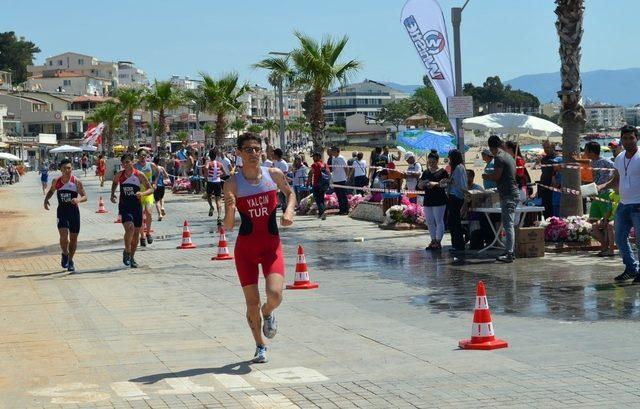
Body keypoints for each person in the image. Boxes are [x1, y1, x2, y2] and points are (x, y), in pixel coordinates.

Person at [222, 133, 296, 364]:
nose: (254, 153)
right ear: (239, 153)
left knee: (275, 295)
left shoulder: (272, 175)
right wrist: (231, 208)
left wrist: (289, 211)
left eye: (257, 149)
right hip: (246, 250)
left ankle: (268, 312)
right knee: (251, 302)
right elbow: (228, 225)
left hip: (271, 245)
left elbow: (290, 193)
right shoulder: (232, 183)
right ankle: (259, 345)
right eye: (248, 150)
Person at [597, 125, 640, 282]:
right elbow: (616, 179)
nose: (628, 141)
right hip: (623, 204)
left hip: (638, 204)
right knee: (620, 238)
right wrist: (601, 186)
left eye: (631, 138)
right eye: (625, 138)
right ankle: (631, 269)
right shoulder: (620, 158)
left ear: (637, 138)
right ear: (621, 140)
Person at [44, 159, 87, 272]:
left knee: (73, 239)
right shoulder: (56, 181)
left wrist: (78, 200)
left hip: (74, 213)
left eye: (69, 168)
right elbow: (52, 191)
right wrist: (46, 199)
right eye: (65, 168)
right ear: (61, 170)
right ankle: (65, 253)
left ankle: (71, 260)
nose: (67, 170)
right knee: (63, 236)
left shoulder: (76, 182)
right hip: (62, 212)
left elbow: (84, 196)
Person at [111, 153, 152, 268]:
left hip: (136, 207)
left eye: (128, 162)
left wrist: (142, 193)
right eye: (123, 163)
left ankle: (132, 257)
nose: (125, 165)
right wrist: (112, 194)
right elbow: (114, 183)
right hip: (125, 206)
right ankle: (127, 251)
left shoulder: (139, 175)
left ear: (132, 162)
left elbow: (150, 189)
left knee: (136, 235)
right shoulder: (120, 174)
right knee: (130, 228)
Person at [483, 135, 519, 263]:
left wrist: (486, 176)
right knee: (508, 224)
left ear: (491, 147)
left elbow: (497, 176)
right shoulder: (509, 156)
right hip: (512, 193)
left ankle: (510, 253)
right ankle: (509, 250)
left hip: (508, 195)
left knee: (508, 225)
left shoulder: (499, 157)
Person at [418, 150, 448, 251]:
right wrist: (422, 184)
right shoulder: (426, 172)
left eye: (433, 162)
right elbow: (419, 185)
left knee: (439, 220)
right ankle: (433, 239)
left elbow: (445, 184)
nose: (431, 164)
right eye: (429, 162)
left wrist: (434, 184)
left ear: (437, 161)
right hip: (428, 199)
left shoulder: (443, 172)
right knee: (430, 221)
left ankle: (438, 241)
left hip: (439, 199)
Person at [584, 141, 615, 221]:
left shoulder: (605, 161)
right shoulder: (592, 162)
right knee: (592, 220)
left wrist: (612, 180)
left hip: (605, 194)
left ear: (592, 152)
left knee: (606, 221)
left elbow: (617, 168)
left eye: (586, 150)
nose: (585, 152)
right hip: (596, 194)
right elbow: (585, 162)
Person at [447, 149, 468, 263]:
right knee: (452, 222)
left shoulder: (459, 168)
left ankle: (458, 245)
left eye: (450, 157)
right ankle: (456, 244)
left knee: (454, 222)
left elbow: (462, 184)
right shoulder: (457, 168)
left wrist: (464, 200)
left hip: (456, 197)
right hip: (453, 196)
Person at [133, 149, 158, 246]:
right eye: (141, 155)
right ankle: (142, 236)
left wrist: (155, 182)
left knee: (149, 212)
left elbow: (158, 172)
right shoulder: (135, 166)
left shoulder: (151, 165)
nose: (143, 157)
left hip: (148, 192)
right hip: (138, 193)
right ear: (138, 156)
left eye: (144, 155)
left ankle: (148, 233)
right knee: (139, 216)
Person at [591, 189, 620, 257]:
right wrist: (605, 219)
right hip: (611, 217)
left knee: (610, 225)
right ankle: (605, 246)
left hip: (620, 217)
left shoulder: (623, 194)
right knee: (594, 226)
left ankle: (611, 251)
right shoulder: (611, 195)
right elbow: (609, 210)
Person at [206, 148, 229, 223]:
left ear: (210, 156)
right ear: (216, 156)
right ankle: (219, 216)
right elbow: (225, 173)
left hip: (210, 182)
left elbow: (206, 168)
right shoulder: (220, 164)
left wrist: (206, 176)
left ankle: (211, 207)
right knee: (218, 200)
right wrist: (219, 174)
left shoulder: (209, 163)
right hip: (218, 182)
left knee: (208, 196)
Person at [539, 141, 561, 218]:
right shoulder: (543, 159)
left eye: (547, 147)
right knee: (546, 211)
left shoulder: (558, 158)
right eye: (544, 148)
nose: (545, 149)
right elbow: (543, 172)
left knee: (553, 211)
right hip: (544, 187)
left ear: (553, 147)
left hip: (553, 188)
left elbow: (559, 173)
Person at [308, 152, 329, 220]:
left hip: (316, 184)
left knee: (318, 200)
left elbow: (311, 173)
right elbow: (328, 173)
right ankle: (321, 213)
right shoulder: (325, 164)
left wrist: (308, 181)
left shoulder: (314, 164)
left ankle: (323, 213)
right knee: (321, 199)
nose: (313, 158)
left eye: (314, 157)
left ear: (318, 157)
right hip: (324, 184)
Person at [330, 146, 349, 215]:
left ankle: (346, 210)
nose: (331, 152)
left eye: (333, 151)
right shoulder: (333, 158)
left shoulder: (341, 158)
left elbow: (346, 167)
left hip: (341, 179)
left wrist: (346, 176)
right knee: (338, 195)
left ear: (336, 151)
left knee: (343, 195)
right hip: (335, 179)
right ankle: (341, 210)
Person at [152, 156, 170, 221]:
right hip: (162, 185)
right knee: (161, 198)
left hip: (155, 185)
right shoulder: (161, 168)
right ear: (159, 161)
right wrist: (166, 174)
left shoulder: (152, 168)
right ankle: (162, 207)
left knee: (156, 201)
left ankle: (159, 214)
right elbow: (166, 176)